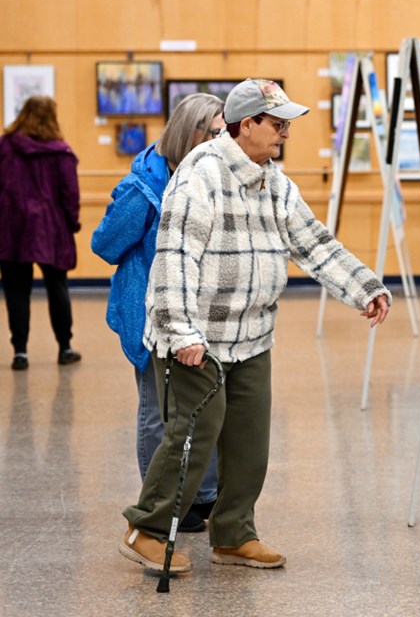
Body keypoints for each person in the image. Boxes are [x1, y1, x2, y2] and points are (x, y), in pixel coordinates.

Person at [119, 79, 391, 574]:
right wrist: (181, 333)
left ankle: (233, 533)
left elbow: (315, 244)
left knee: (249, 440)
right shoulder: (199, 175)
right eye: (278, 124)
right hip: (197, 337)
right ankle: (149, 529)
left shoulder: (275, 182)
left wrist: (365, 286)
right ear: (247, 125)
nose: (286, 133)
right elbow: (174, 258)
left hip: (252, 335)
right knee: (193, 432)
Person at [92, 93, 226, 532]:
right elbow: (105, 245)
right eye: (216, 133)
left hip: (199, 312)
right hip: (150, 313)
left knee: (201, 407)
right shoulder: (143, 188)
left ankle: (201, 497)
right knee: (159, 411)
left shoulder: (213, 177)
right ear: (192, 133)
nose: (224, 141)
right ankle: (163, 506)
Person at [0, 96, 82, 370]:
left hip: (12, 227)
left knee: (16, 291)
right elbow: (70, 194)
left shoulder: (6, 146)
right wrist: (72, 223)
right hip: (51, 226)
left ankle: (20, 352)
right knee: (57, 287)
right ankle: (65, 347)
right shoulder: (60, 151)